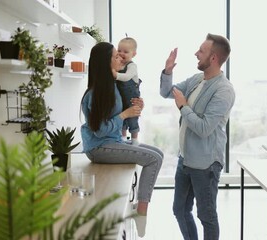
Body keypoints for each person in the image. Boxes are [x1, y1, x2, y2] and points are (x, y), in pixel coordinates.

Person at [81, 42, 163, 237]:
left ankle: (139, 209)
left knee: (158, 153)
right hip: (99, 147)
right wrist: (125, 115)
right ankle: (141, 212)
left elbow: (124, 109)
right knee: (155, 159)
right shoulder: (97, 93)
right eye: (116, 56)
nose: (121, 58)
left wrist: (136, 106)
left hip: (112, 141)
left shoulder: (113, 86)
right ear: (106, 63)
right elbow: (100, 131)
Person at [159, 33, 235, 240]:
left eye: (201, 50)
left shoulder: (224, 90)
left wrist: (183, 106)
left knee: (206, 216)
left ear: (213, 58)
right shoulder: (196, 80)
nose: (195, 53)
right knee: (180, 209)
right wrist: (167, 70)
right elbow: (167, 92)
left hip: (206, 164)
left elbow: (203, 128)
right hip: (186, 159)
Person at [115, 37, 142, 146]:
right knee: (122, 117)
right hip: (121, 99)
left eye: (126, 52)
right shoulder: (118, 65)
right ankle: (123, 137)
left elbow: (126, 77)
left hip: (132, 99)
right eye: (119, 50)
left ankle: (135, 139)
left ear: (133, 54)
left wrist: (115, 74)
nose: (121, 53)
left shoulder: (132, 66)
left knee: (132, 119)